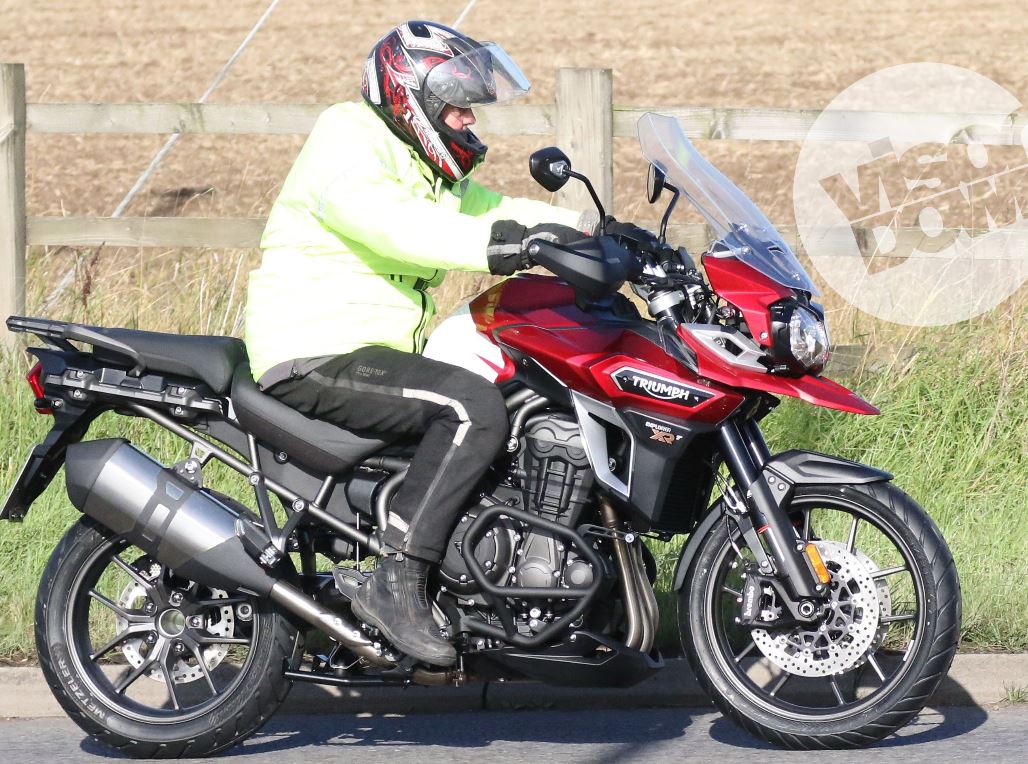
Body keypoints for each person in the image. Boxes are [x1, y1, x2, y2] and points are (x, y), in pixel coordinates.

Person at [244, 20, 595, 666]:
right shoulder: (347, 138)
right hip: (314, 351)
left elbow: (488, 209)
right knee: (470, 407)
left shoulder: (422, 165)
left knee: (516, 401)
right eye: (459, 104)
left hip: (373, 353)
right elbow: (397, 226)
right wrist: (512, 248)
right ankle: (396, 579)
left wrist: (590, 231)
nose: (469, 118)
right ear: (414, 97)